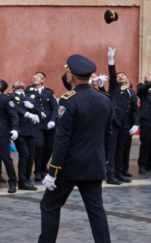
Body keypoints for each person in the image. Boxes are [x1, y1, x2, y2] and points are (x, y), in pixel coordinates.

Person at [38, 53, 112, 243]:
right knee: (96, 210)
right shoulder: (104, 99)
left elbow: (62, 138)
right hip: (94, 163)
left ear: (71, 77)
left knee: (49, 205)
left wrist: (53, 170)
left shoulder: (69, 99)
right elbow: (108, 134)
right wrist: (104, 161)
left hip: (70, 166)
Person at [103, 50, 136, 185]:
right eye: (119, 76)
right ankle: (110, 175)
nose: (120, 76)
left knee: (121, 150)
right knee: (112, 150)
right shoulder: (115, 88)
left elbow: (135, 110)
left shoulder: (131, 93)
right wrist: (111, 60)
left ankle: (119, 173)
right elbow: (112, 76)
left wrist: (136, 124)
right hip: (114, 122)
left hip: (126, 124)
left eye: (123, 75)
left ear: (128, 79)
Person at [11, 81, 41, 191]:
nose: (19, 82)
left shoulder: (30, 99)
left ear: (24, 87)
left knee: (30, 156)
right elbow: (14, 108)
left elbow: (39, 114)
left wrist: (33, 107)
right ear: (13, 88)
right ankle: (22, 181)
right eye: (16, 82)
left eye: (21, 82)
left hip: (31, 131)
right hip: (20, 130)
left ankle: (27, 179)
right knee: (24, 155)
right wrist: (27, 113)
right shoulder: (11, 97)